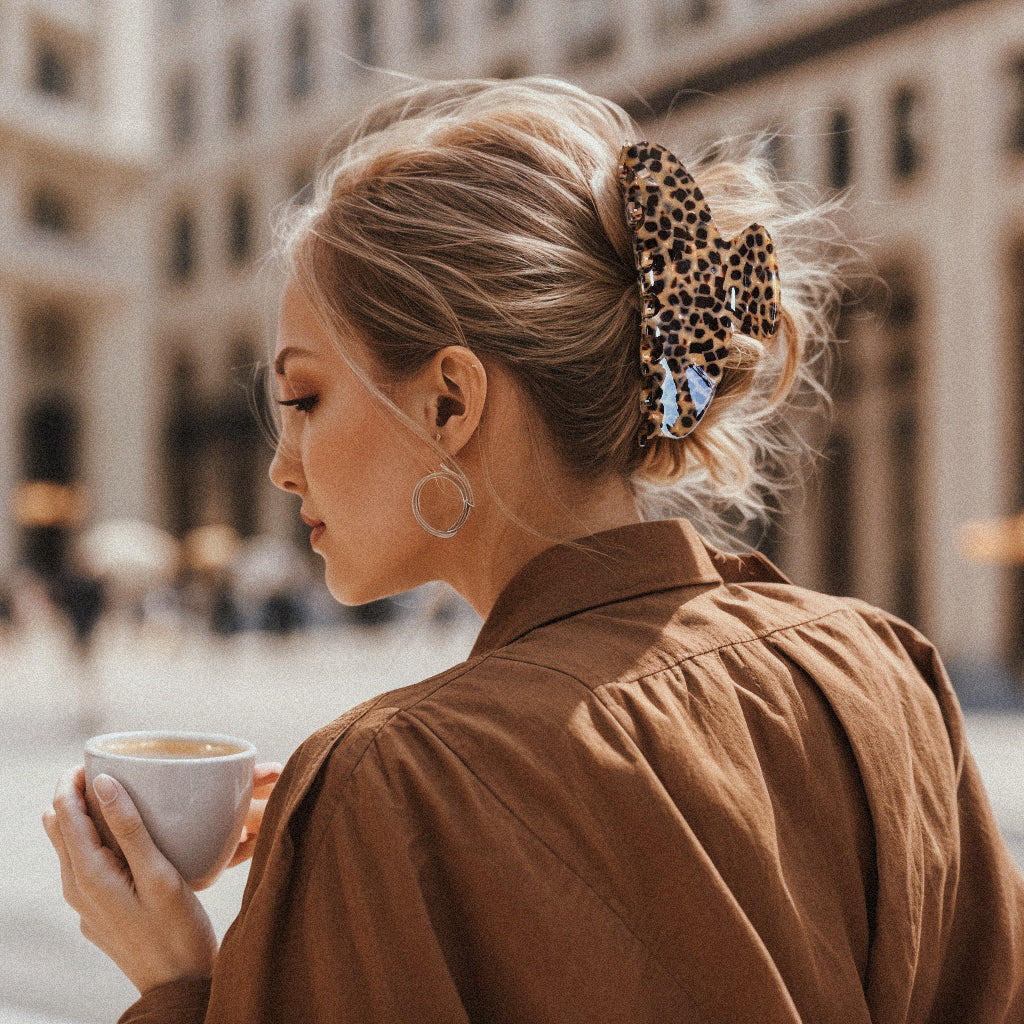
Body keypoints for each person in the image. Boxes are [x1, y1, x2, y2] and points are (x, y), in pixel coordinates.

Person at [44, 77, 1024, 1023]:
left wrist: (176, 978)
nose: (281, 466)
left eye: (304, 399)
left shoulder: (393, 777)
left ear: (451, 402)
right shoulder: (877, 665)